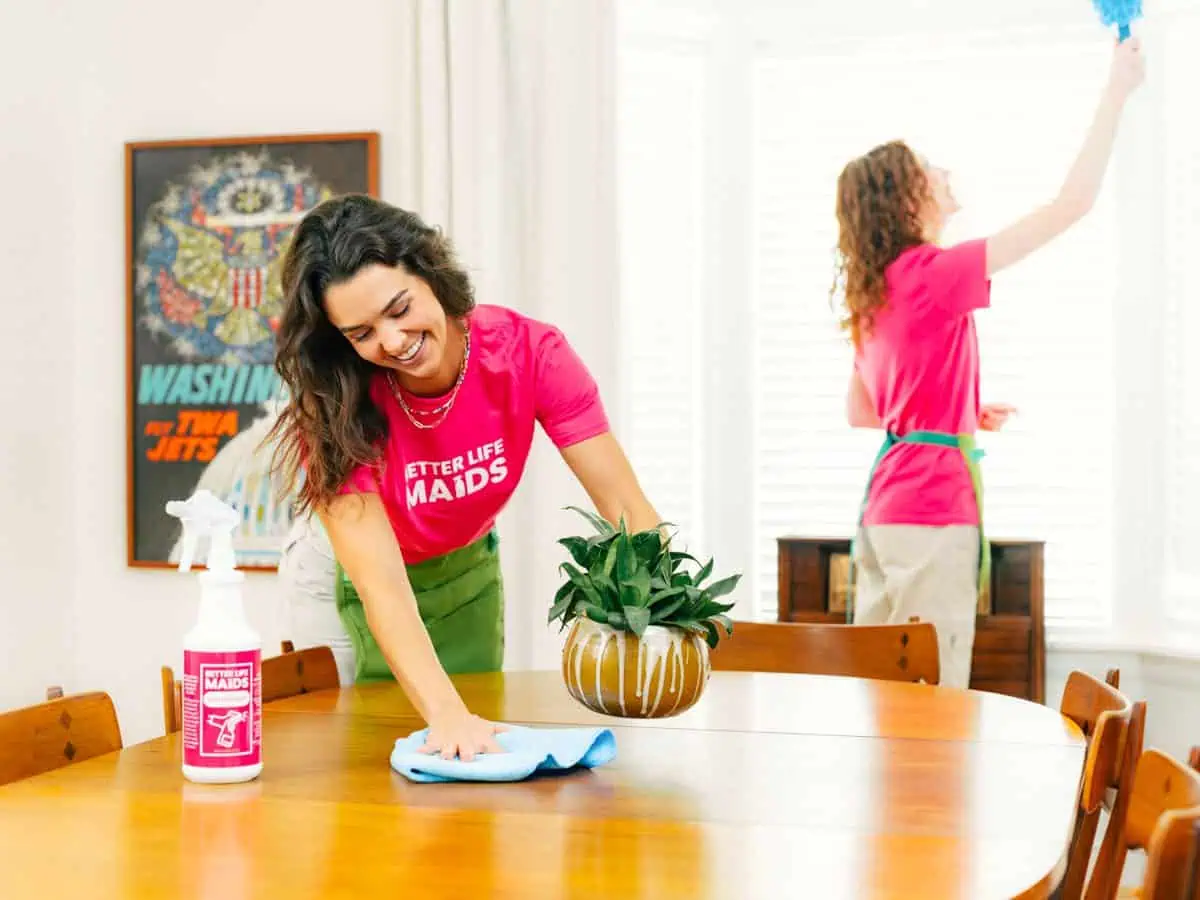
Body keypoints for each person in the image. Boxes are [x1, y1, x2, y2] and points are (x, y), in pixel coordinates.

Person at [268, 194, 662, 760]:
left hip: (464, 564)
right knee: (357, 760)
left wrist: (668, 619)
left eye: (400, 309)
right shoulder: (335, 401)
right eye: (361, 333)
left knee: (476, 749)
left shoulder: (530, 354)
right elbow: (380, 584)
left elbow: (626, 506)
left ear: (431, 272)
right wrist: (445, 713)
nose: (393, 342)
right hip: (345, 579)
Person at [833, 38, 1145, 688]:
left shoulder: (872, 293)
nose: (945, 172)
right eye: (929, 168)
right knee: (935, 699)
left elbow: (864, 412)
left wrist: (958, 409)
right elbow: (1070, 205)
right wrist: (1116, 91)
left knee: (878, 696)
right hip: (932, 511)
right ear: (908, 197)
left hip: (882, 513)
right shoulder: (937, 273)